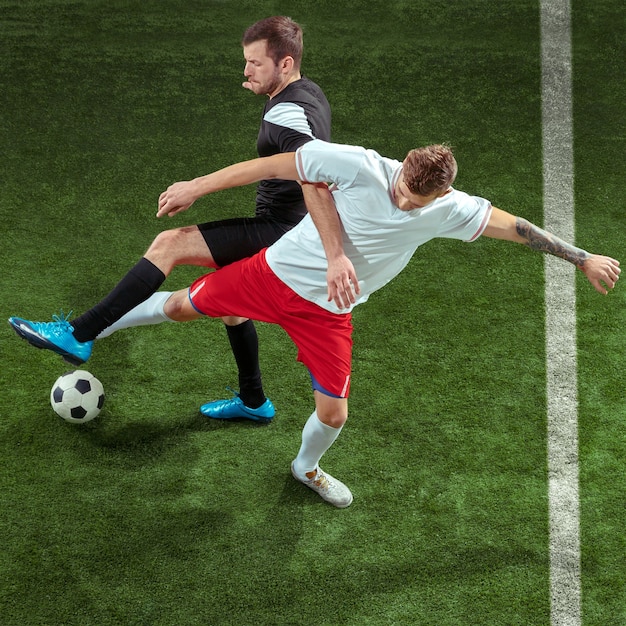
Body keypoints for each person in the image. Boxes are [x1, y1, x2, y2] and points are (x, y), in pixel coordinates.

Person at [9, 139, 620, 507]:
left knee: (334, 413)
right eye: (403, 187)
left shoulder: (450, 208)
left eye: (416, 200)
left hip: (330, 313)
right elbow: (275, 166)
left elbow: (518, 228)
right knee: (177, 306)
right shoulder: (359, 164)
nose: (404, 201)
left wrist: (581, 256)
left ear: (440, 196)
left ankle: (304, 468)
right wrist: (196, 185)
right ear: (402, 165)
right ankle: (81, 335)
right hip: (270, 275)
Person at [9, 16, 333, 424]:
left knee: (170, 243)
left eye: (255, 63)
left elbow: (309, 168)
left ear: (284, 64)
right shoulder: (310, 94)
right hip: (288, 228)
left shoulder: (287, 113)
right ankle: (254, 400)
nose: (246, 70)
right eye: (246, 61)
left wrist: (197, 186)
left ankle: (78, 334)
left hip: (283, 233)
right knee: (233, 306)